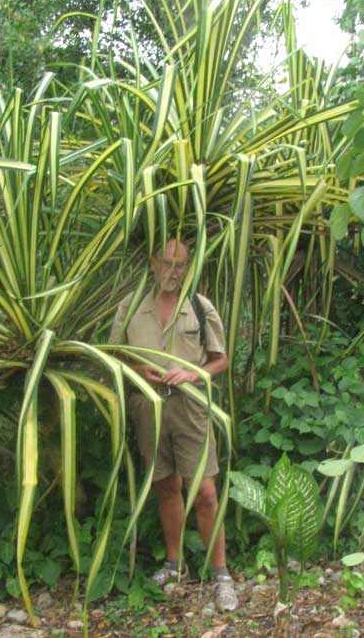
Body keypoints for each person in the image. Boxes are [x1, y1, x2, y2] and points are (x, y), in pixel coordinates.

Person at [109, 238, 238, 611]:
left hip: (191, 408)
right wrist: (138, 370)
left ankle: (221, 576)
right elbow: (113, 356)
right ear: (152, 263)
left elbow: (220, 360)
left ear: (188, 267)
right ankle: (174, 563)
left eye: (180, 265)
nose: (173, 272)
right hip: (148, 408)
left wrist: (193, 374)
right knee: (166, 486)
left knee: (206, 491)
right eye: (167, 263)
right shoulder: (131, 306)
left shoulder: (200, 306)